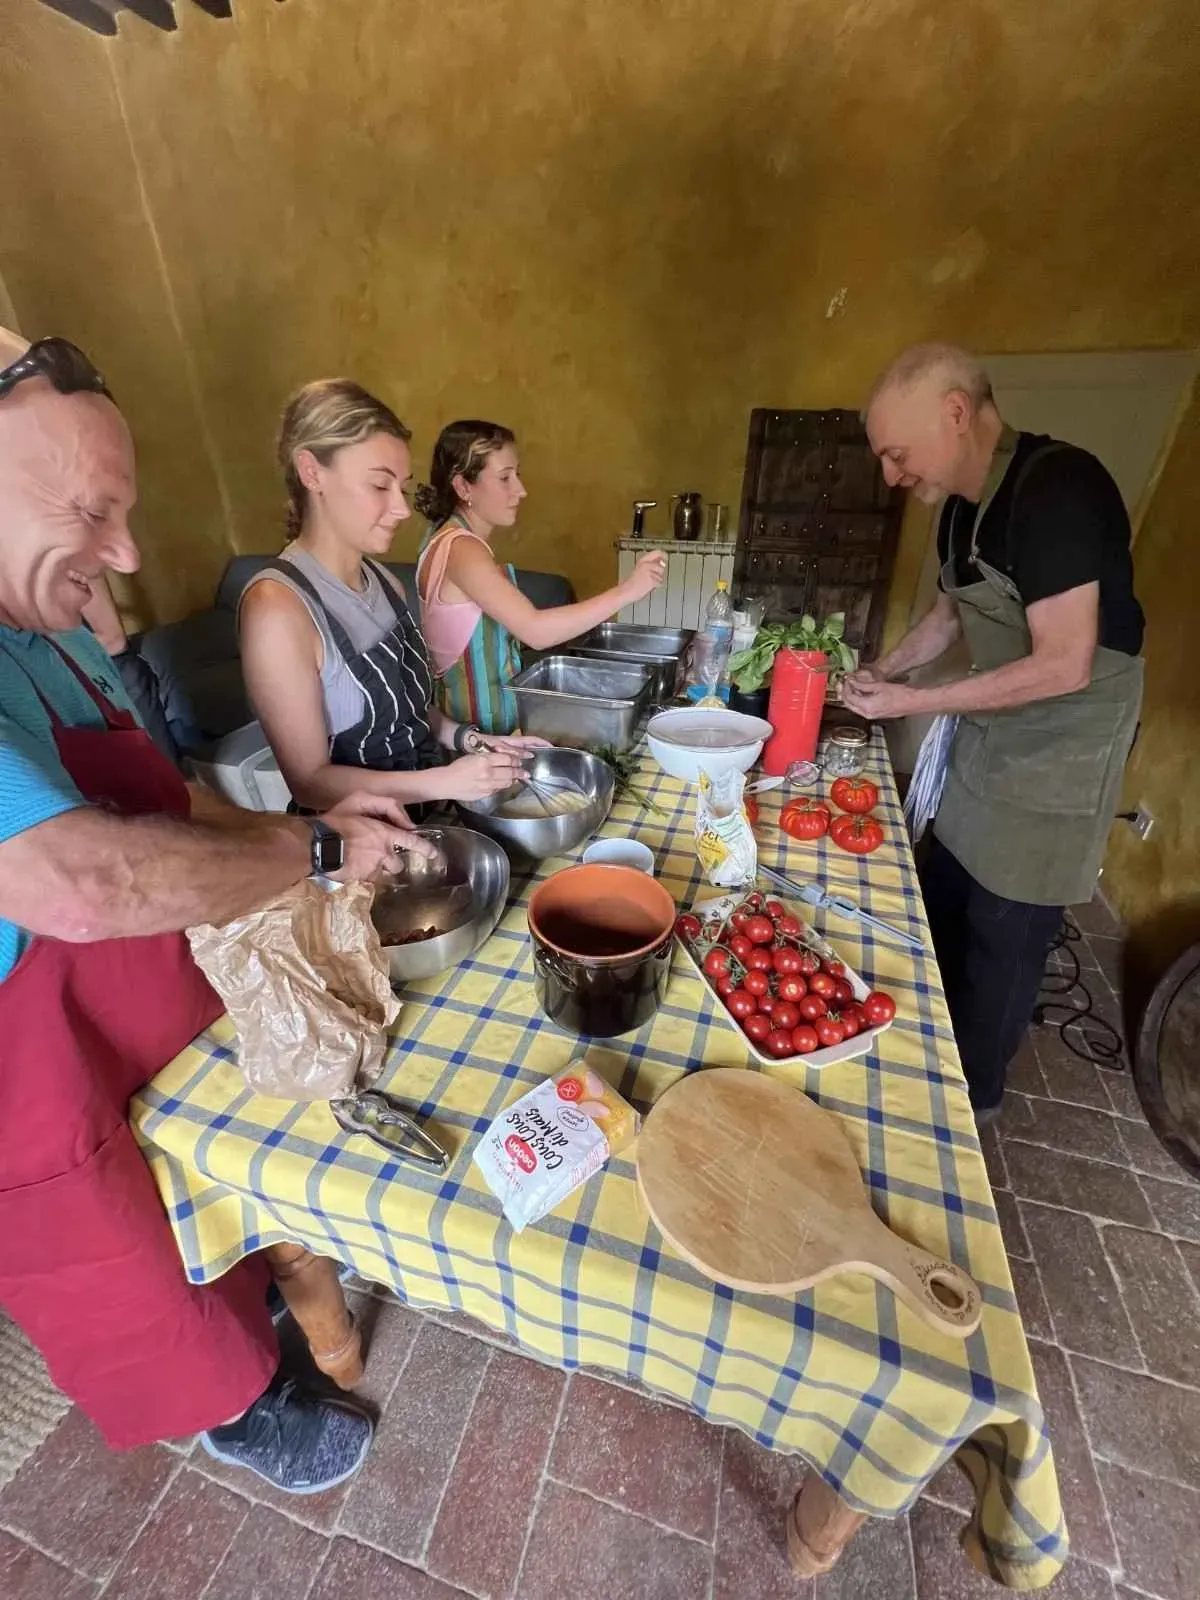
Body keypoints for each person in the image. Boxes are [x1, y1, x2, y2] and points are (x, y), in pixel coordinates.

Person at [0, 332, 430, 1487]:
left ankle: (257, 1337)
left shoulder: (53, 632)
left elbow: (172, 803)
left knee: (216, 1218)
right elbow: (85, 882)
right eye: (91, 511)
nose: (127, 550)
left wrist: (322, 846)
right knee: (127, 1275)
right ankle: (234, 1415)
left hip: (141, 1010)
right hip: (31, 1075)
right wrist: (312, 847)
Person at [843, 343, 1144, 1120]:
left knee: (1004, 932)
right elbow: (948, 619)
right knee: (946, 891)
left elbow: (1067, 662)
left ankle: (970, 1101)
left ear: (954, 413)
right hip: (995, 732)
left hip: (1061, 747)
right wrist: (889, 671)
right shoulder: (959, 513)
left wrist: (915, 707)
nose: (890, 475)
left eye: (895, 453)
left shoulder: (1058, 489)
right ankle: (926, 1056)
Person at [239, 381, 544, 812]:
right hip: (356, 851)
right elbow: (311, 783)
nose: (402, 509)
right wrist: (442, 780)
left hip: (424, 817)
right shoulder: (278, 609)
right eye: (380, 486)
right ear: (312, 473)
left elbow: (410, 712)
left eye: (401, 487)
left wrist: (471, 740)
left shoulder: (386, 584)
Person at [414, 421, 668, 733]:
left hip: (493, 733)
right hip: (475, 744)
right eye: (505, 478)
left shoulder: (443, 537)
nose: (521, 490)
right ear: (464, 486)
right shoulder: (462, 549)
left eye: (517, 474)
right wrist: (628, 590)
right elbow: (535, 631)